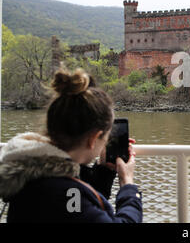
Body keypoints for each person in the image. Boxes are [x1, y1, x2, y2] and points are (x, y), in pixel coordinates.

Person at [0, 67, 143, 223]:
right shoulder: (62, 191)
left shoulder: (29, 173)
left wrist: (103, 172)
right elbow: (75, 207)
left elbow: (78, 212)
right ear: (94, 139)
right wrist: (128, 185)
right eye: (106, 137)